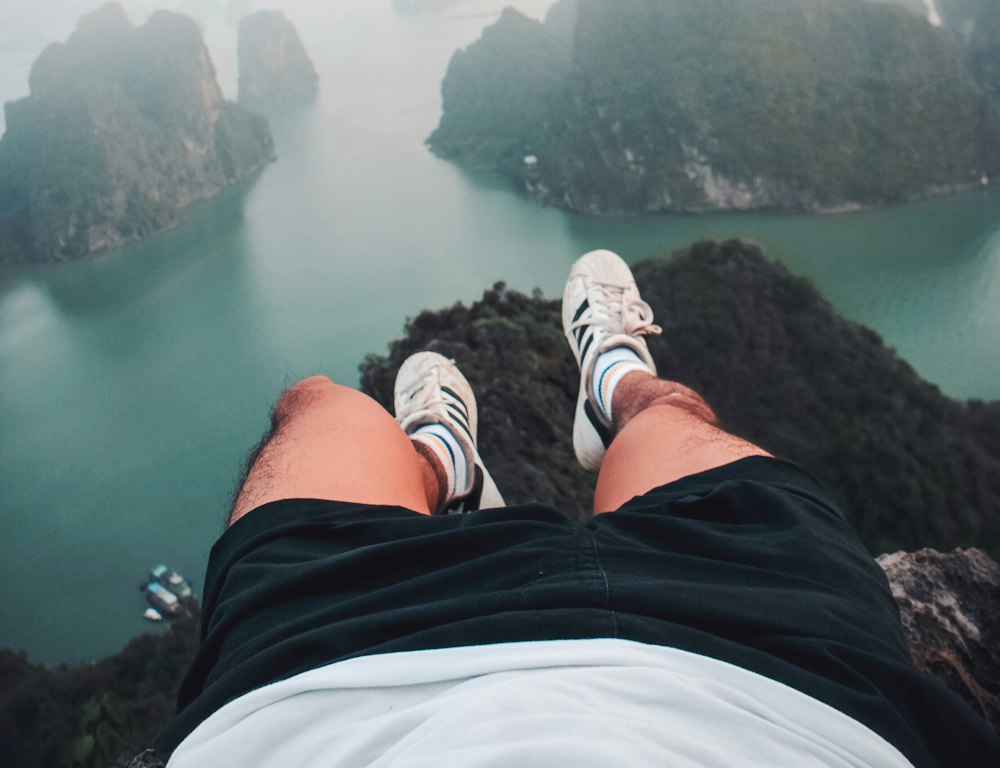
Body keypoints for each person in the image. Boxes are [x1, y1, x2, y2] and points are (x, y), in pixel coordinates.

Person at [160, 251, 998, 766]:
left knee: (317, 405)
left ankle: (438, 465)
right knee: (677, 420)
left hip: (314, 694)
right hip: (779, 690)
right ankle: (618, 386)